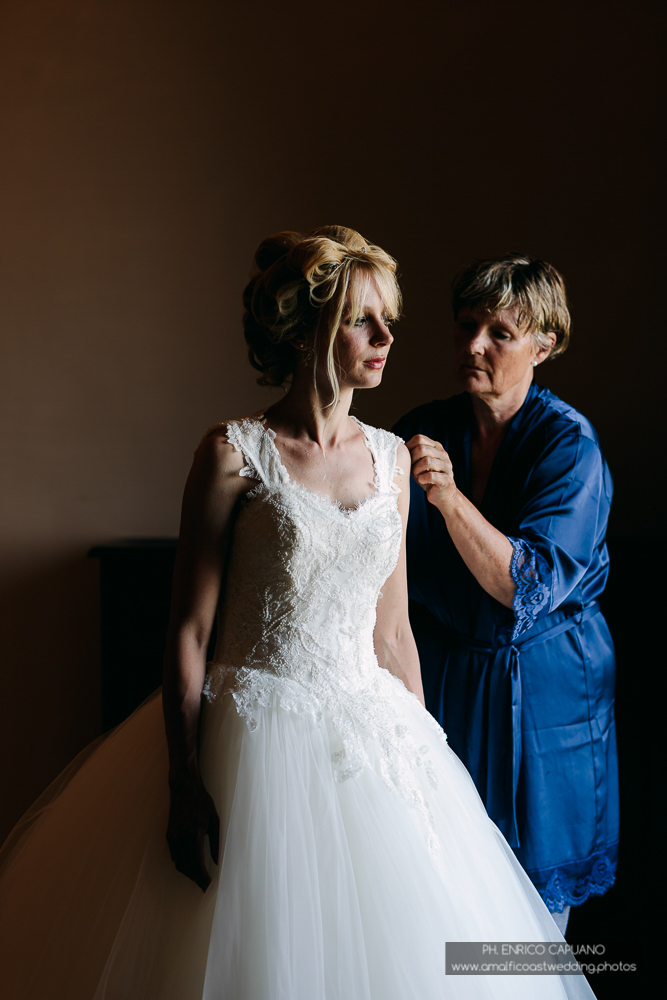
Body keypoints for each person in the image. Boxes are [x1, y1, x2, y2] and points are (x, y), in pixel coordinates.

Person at [0, 230, 597, 999]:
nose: (386, 337)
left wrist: (424, 762)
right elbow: (188, 629)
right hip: (249, 738)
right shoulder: (231, 453)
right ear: (307, 328)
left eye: (389, 319)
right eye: (361, 319)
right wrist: (183, 780)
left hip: (368, 733)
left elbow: (391, 631)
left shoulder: (390, 458)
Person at [393, 254, 619, 935]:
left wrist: (448, 497)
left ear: (542, 346)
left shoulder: (568, 446)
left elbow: (526, 585)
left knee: (529, 921)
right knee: (444, 908)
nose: (473, 346)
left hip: (545, 697)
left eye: (499, 332)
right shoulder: (423, 428)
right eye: (466, 326)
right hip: (443, 681)